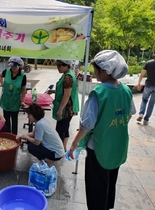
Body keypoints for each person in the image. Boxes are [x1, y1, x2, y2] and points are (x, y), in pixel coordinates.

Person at [68, 50, 136, 210]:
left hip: (98, 149)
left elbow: (87, 125)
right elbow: (130, 113)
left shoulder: (98, 94)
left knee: (96, 188)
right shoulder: (126, 90)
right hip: (118, 147)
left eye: (95, 69)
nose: (93, 72)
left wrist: (74, 144)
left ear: (104, 71)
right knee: (109, 182)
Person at [47, 59, 79, 151]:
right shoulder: (67, 74)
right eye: (57, 66)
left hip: (67, 109)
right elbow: (64, 90)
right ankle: (63, 148)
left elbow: (67, 95)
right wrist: (53, 91)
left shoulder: (67, 77)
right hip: (69, 108)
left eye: (60, 66)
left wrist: (60, 109)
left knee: (60, 130)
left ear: (67, 66)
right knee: (65, 128)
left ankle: (58, 151)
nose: (58, 68)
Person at [0, 56, 27, 135]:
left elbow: (23, 89)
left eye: (15, 66)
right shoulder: (7, 71)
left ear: (19, 66)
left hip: (15, 101)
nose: (13, 68)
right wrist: (2, 84)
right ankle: (7, 136)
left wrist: (22, 101)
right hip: (6, 99)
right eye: (11, 66)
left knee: (14, 120)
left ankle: (14, 137)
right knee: (6, 120)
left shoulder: (23, 76)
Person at [136, 51, 155, 125]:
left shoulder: (148, 63)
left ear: (154, 53)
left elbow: (142, 75)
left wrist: (139, 83)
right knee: (152, 104)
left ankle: (141, 113)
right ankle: (146, 119)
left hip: (148, 85)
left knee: (144, 100)